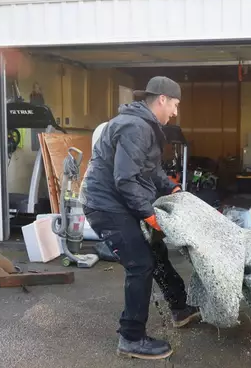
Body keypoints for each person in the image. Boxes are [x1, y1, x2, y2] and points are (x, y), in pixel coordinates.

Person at [80, 76, 201, 360]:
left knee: (156, 252)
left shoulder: (145, 126)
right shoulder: (136, 127)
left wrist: (170, 186)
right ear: (162, 99)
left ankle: (179, 308)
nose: (175, 111)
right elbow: (126, 180)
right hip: (106, 206)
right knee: (140, 264)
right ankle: (131, 338)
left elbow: (149, 168)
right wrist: (148, 215)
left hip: (120, 202)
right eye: (175, 104)